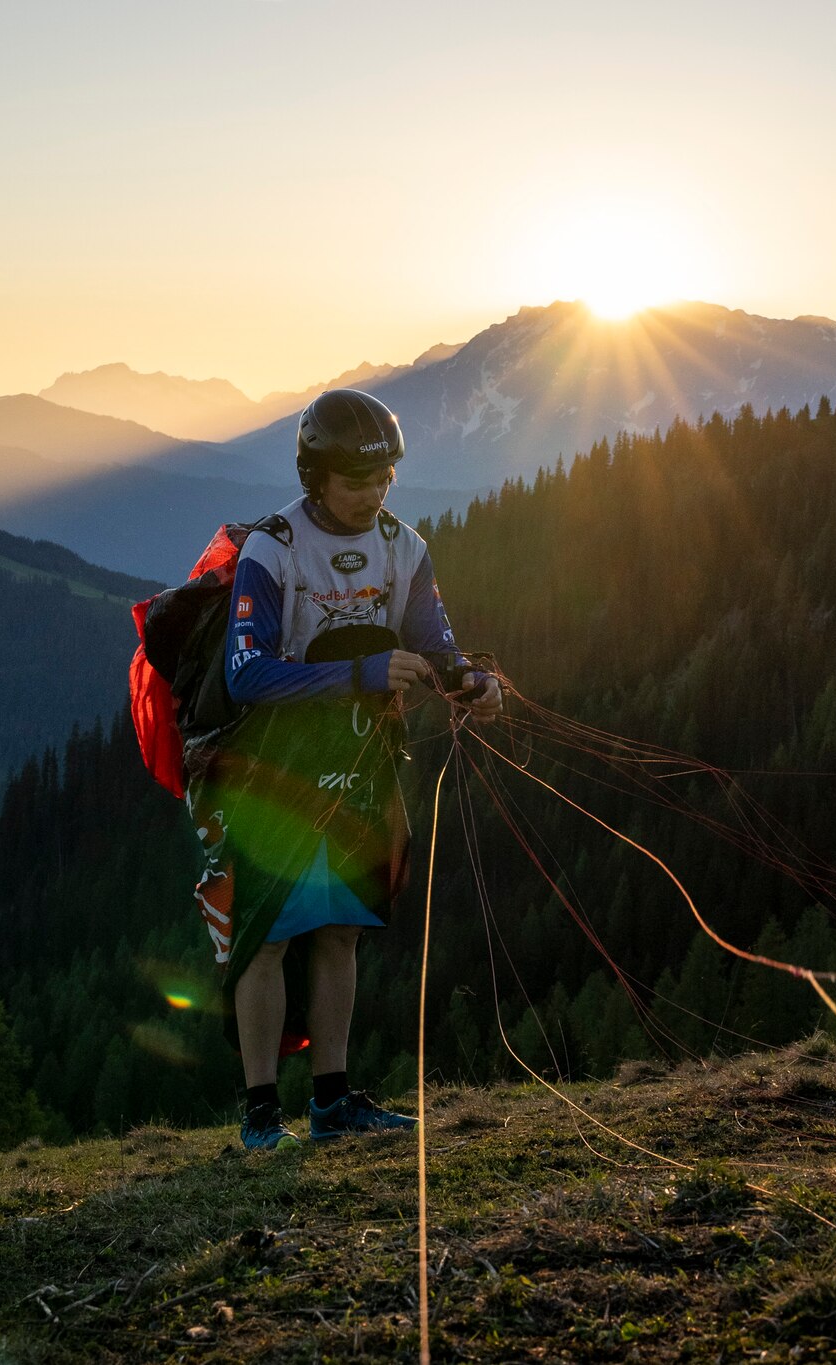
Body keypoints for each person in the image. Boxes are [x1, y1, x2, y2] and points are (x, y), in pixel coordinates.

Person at [189, 388, 501, 1151]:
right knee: (264, 937)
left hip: (361, 763)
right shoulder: (274, 550)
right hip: (272, 768)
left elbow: (434, 639)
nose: (375, 493)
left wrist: (471, 682)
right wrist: (359, 673)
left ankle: (332, 1101)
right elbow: (246, 675)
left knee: (339, 931)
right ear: (314, 474)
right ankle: (261, 1113)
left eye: (385, 477)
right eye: (358, 480)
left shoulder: (405, 546)